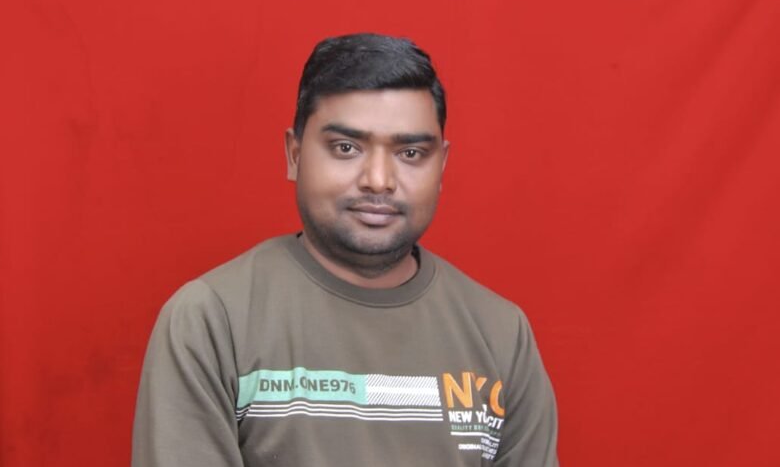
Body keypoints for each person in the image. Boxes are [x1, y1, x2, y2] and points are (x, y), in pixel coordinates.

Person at [132, 33, 559, 466]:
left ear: (441, 166)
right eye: (346, 148)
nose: (379, 180)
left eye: (411, 152)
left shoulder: (501, 334)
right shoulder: (213, 320)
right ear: (294, 154)